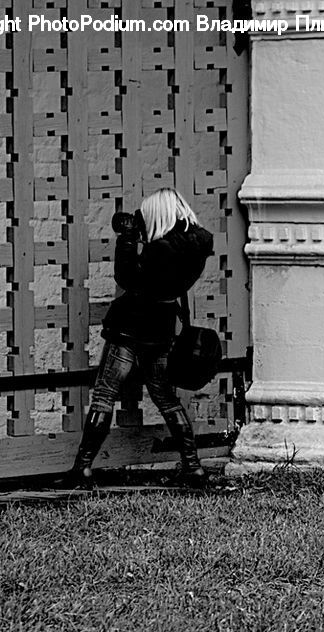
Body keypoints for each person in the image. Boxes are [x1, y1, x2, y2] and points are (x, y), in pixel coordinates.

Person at [66, 188, 214, 488]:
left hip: (130, 329)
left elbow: (128, 278)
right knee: (165, 398)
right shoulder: (199, 242)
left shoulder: (161, 249)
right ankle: (193, 467)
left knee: (105, 394)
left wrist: (127, 238)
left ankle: (82, 468)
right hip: (161, 329)